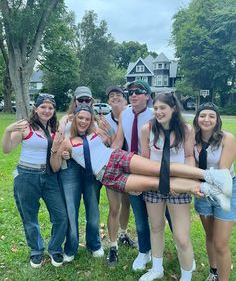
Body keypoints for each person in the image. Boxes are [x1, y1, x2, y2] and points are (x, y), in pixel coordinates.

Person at [50, 105, 232, 212]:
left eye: (87, 119)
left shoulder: (95, 131)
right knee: (154, 183)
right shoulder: (65, 141)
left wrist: (108, 132)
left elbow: (114, 140)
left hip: (116, 157)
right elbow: (56, 166)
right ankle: (208, 189)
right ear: (74, 120)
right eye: (80, 118)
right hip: (106, 175)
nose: (83, 121)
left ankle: (213, 176)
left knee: (160, 168)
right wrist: (57, 143)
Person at [111, 80, 172, 271]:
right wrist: (106, 159)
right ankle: (144, 251)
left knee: (169, 211)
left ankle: (181, 246)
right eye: (130, 92)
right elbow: (119, 141)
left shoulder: (156, 115)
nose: (133, 95)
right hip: (133, 169)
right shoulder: (124, 114)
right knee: (139, 214)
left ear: (147, 95)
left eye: (139, 91)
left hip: (155, 170)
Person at [2, 94, 68, 268]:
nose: (46, 111)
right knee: (30, 217)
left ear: (54, 111)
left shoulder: (56, 131)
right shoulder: (25, 127)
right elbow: (7, 150)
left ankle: (55, 249)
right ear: (35, 108)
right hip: (26, 176)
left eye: (50, 108)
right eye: (43, 107)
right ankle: (36, 251)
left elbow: (56, 165)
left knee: (61, 216)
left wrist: (59, 152)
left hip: (49, 176)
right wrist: (8, 131)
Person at [139, 93, 196, 281]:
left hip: (177, 185)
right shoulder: (147, 130)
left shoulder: (186, 130)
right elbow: (145, 159)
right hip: (154, 184)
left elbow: (189, 156)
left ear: (173, 108)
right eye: (155, 108)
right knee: (156, 227)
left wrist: (185, 182)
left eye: (162, 108)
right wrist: (147, 181)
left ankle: (186, 275)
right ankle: (157, 268)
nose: (158, 112)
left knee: (181, 236)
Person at [58, 86, 104, 262]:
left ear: (91, 101)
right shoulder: (67, 120)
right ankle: (71, 246)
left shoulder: (95, 121)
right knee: (71, 208)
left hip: (90, 166)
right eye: (80, 100)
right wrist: (63, 122)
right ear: (74, 101)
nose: (84, 103)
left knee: (93, 207)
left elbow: (104, 142)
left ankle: (94, 243)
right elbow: (58, 138)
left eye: (87, 100)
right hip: (70, 167)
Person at [193, 103, 236, 281]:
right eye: (203, 115)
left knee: (220, 243)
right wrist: (194, 185)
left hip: (225, 191)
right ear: (197, 119)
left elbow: (222, 173)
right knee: (210, 236)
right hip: (203, 192)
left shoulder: (228, 138)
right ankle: (214, 273)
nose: (207, 119)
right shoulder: (192, 139)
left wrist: (197, 181)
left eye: (212, 116)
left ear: (217, 120)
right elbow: (190, 164)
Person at [99, 85, 137, 267]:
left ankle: (123, 234)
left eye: (119, 95)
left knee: (127, 203)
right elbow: (105, 145)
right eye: (111, 95)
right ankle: (113, 247)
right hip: (113, 166)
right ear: (108, 100)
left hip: (133, 165)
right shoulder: (103, 121)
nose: (115, 97)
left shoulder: (132, 115)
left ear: (125, 99)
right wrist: (107, 137)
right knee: (114, 207)